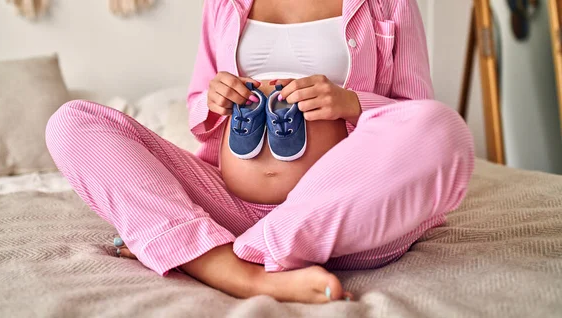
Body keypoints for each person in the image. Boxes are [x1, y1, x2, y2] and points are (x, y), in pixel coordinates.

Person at [45, 0, 474, 304]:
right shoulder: (224, 2)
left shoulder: (386, 4)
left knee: (444, 128)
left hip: (341, 221)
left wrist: (351, 103)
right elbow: (199, 101)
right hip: (226, 205)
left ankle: (201, 249)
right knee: (72, 123)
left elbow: (415, 114)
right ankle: (243, 275)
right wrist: (214, 98)